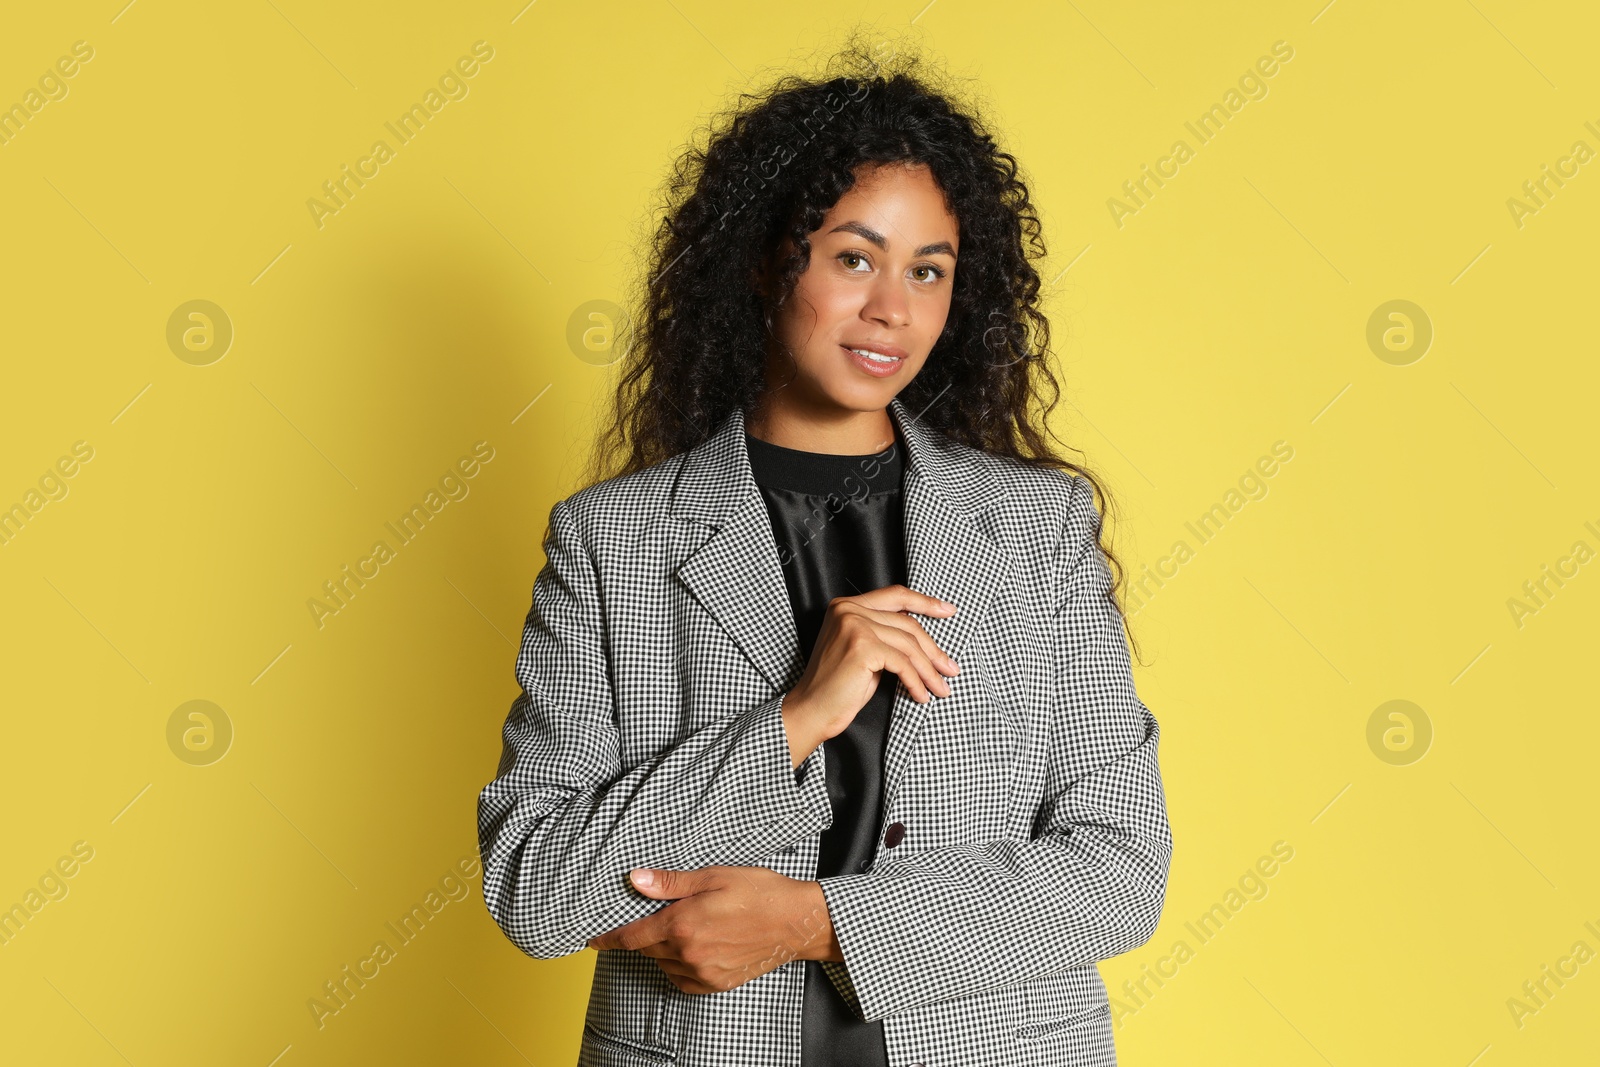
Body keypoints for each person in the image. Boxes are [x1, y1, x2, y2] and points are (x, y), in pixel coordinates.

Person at [476, 38, 1172, 1067]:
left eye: (927, 271)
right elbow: (535, 885)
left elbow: (1118, 870)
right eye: (854, 257)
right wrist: (795, 718)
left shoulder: (1036, 533)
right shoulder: (611, 541)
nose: (892, 308)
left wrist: (815, 920)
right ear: (768, 260)